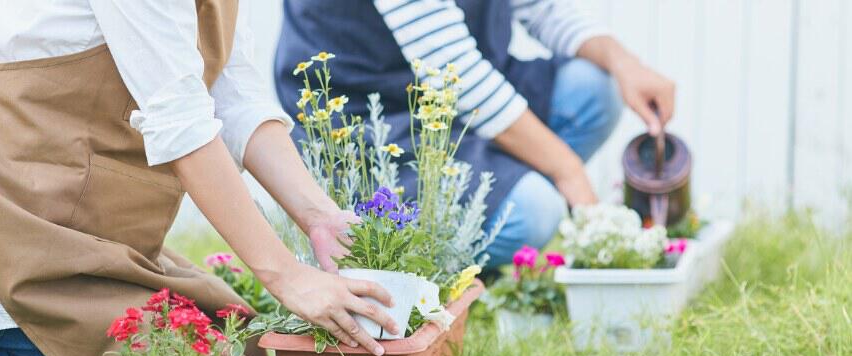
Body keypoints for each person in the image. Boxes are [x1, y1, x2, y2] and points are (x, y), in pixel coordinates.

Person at [0, 1, 398, 356]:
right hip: (5, 216)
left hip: (82, 219)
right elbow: (180, 120)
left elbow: (233, 92)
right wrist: (288, 277)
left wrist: (319, 216)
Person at [275, 0, 676, 267]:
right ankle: (440, 276)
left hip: (450, 98)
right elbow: (452, 65)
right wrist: (566, 171)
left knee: (593, 88)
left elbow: (544, 9)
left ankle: (496, 210)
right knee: (533, 211)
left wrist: (625, 64)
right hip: (369, 119)